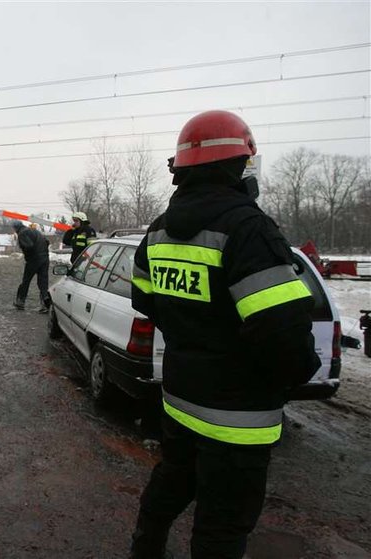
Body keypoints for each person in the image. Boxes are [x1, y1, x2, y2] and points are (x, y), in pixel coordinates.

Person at [129, 110, 321, 559]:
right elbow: (283, 333)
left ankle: (145, 550)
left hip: (180, 399)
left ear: (183, 170)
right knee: (222, 528)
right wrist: (296, 374)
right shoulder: (247, 229)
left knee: (172, 483)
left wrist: (191, 333)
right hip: (240, 419)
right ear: (238, 166)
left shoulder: (158, 232)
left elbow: (145, 300)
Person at [12, 220, 51, 313]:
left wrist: (25, 250)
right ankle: (45, 304)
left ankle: (20, 302)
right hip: (45, 258)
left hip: (33, 260)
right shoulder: (35, 230)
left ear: (16, 228)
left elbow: (28, 246)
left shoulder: (22, 233)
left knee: (26, 281)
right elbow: (47, 241)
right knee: (43, 282)